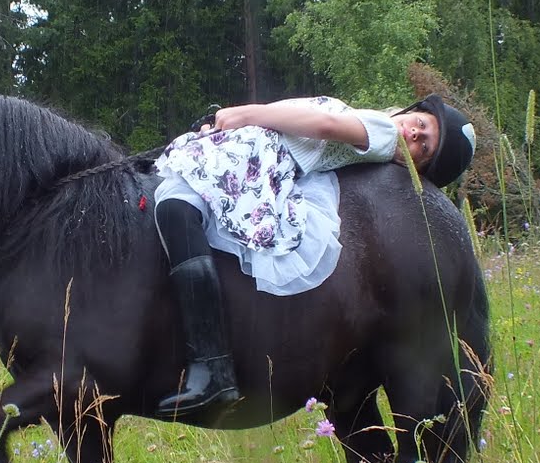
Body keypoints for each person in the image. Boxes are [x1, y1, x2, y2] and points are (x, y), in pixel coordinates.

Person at [151, 92, 476, 417]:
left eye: (424, 146)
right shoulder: (378, 121)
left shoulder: (385, 133)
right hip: (255, 146)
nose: (415, 133)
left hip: (263, 155)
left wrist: (246, 114)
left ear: (417, 165)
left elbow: (325, 125)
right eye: (421, 123)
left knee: (175, 209)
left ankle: (211, 366)